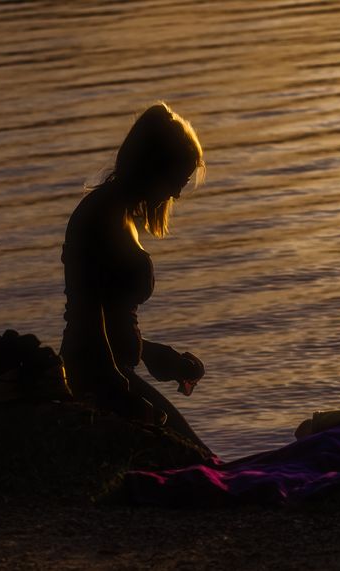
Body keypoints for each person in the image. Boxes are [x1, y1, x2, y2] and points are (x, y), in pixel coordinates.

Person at [59, 101, 206, 439]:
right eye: (177, 180)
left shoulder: (121, 215)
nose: (176, 194)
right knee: (199, 462)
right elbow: (87, 321)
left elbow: (112, 318)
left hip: (113, 368)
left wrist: (152, 354)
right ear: (154, 167)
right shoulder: (100, 217)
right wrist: (123, 396)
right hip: (96, 375)